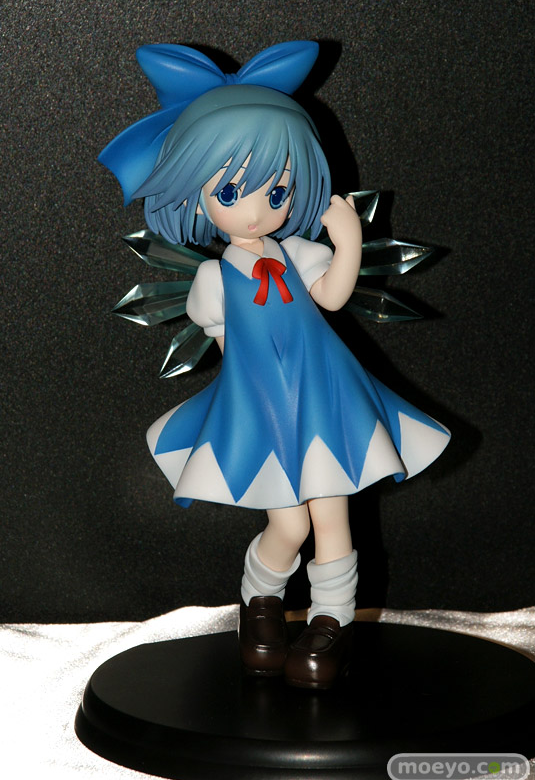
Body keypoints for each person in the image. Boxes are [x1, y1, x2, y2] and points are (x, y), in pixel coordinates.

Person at [100, 41, 450, 689]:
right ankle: (259, 599)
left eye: (278, 189)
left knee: (332, 514)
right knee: (287, 521)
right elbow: (230, 352)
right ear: (197, 194)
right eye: (232, 190)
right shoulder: (212, 280)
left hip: (325, 397)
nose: (258, 209)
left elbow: (333, 297)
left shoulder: (300, 255)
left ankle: (330, 622)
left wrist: (347, 241)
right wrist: (248, 409)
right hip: (262, 404)